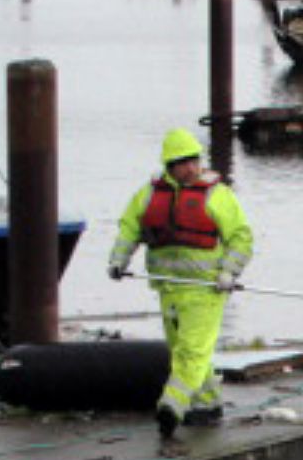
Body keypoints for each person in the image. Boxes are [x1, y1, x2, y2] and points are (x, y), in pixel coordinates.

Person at [107, 128, 254, 440]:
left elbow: (241, 237)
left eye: (194, 160)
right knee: (181, 350)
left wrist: (229, 272)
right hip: (168, 288)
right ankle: (208, 404)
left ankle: (172, 406)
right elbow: (129, 228)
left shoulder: (217, 195)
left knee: (192, 351)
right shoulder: (149, 195)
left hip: (206, 290)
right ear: (170, 166)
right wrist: (118, 260)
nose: (191, 167)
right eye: (184, 162)